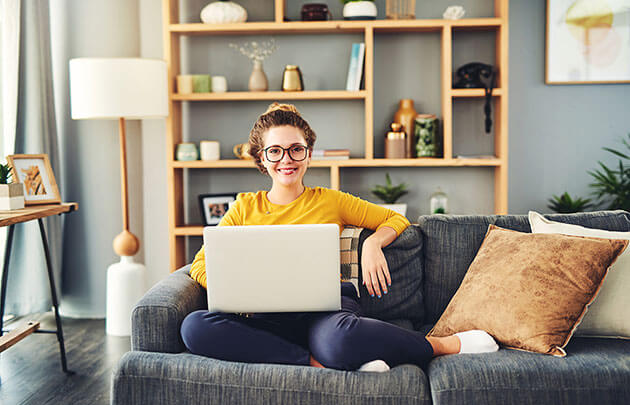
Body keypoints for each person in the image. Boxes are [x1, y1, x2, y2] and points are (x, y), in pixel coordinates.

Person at [181, 103, 498, 372]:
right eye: (275, 151)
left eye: (296, 149)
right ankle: (314, 361)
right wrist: (239, 289)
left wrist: (373, 243)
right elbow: (200, 263)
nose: (286, 159)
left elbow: (394, 218)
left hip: (325, 310)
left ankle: (441, 344)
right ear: (261, 158)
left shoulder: (330, 200)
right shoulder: (244, 207)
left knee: (342, 339)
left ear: (308, 154)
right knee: (194, 327)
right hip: (263, 316)